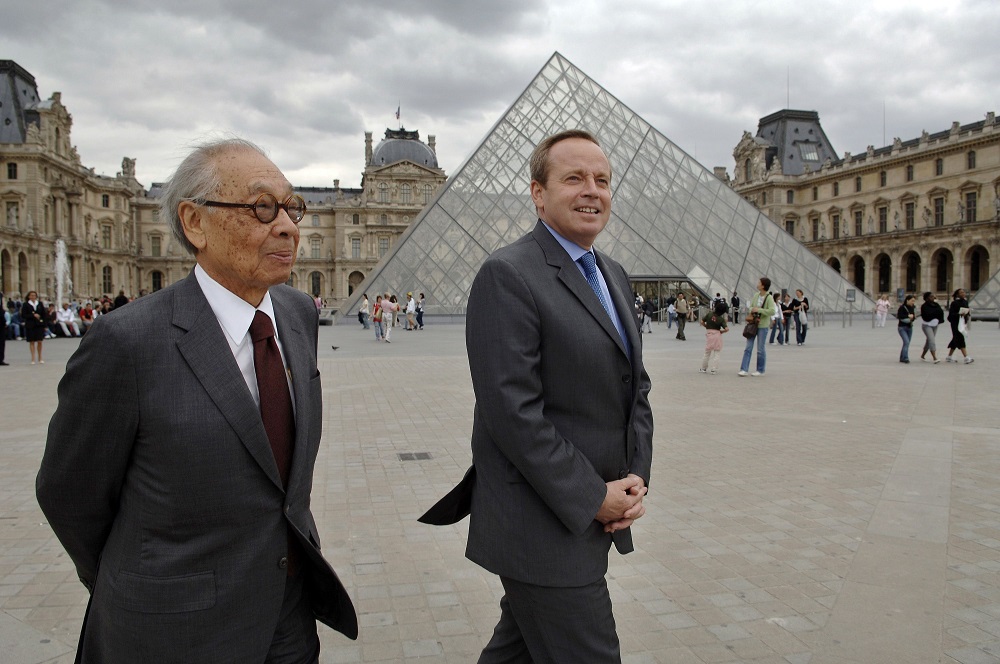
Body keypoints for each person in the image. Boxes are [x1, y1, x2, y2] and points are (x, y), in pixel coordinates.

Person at [36, 138, 357, 662]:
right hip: (174, 634)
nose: (288, 227)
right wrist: (142, 584)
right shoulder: (126, 343)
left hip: (288, 617)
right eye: (261, 208)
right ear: (194, 223)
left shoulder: (298, 315)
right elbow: (68, 494)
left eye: (292, 207)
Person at [419, 130, 653, 663]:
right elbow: (513, 413)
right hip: (542, 519)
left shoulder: (611, 272)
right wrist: (594, 495)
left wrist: (636, 475)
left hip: (594, 506)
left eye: (602, 179)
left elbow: (634, 384)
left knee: (517, 652)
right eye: (574, 178)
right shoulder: (509, 273)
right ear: (538, 194)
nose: (592, 190)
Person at [739, 277, 775, 377]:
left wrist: (759, 310)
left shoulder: (769, 298)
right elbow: (750, 307)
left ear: (763, 285)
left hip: (763, 325)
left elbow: (772, 311)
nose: (757, 283)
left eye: (759, 282)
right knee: (748, 347)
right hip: (753, 324)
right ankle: (744, 369)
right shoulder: (756, 295)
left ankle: (760, 370)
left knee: (760, 349)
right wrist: (753, 309)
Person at [699, 299, 729, 374]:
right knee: (717, 352)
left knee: (707, 352)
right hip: (717, 335)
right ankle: (714, 369)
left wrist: (706, 326)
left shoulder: (709, 314)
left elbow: (702, 321)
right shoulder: (721, 319)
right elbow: (727, 329)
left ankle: (703, 368)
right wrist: (721, 331)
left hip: (709, 334)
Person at [945, 288, 973, 364]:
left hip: (962, 322)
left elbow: (967, 312)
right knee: (960, 339)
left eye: (963, 292)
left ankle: (949, 357)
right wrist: (959, 314)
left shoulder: (965, 302)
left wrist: (967, 312)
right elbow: (950, 315)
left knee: (955, 339)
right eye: (961, 292)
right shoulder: (954, 303)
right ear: (957, 294)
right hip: (955, 323)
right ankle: (966, 357)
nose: (963, 293)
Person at [919, 291, 944, 363]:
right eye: (931, 296)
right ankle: (934, 357)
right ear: (927, 298)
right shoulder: (924, 306)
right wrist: (935, 314)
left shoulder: (936, 304)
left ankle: (922, 355)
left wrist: (937, 318)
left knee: (929, 340)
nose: (933, 298)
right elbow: (926, 315)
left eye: (933, 296)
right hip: (927, 325)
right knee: (932, 340)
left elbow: (941, 313)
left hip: (935, 325)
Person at [21, 291, 46, 364]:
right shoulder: (26, 304)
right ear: (28, 296)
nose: (33, 297)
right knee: (31, 341)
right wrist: (33, 315)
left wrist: (44, 325)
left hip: (39, 325)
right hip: (30, 325)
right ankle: (33, 358)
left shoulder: (40, 304)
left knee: (39, 341)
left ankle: (40, 357)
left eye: (34, 295)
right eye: (31, 295)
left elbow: (44, 315)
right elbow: (23, 315)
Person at [897, 294, 916, 363]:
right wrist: (908, 316)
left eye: (914, 301)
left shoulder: (913, 307)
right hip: (902, 327)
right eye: (912, 301)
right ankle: (905, 357)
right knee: (906, 342)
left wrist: (912, 317)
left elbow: (914, 317)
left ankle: (902, 357)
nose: (913, 302)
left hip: (909, 327)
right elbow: (899, 316)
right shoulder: (902, 307)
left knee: (906, 343)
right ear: (907, 300)